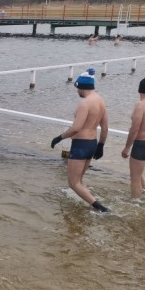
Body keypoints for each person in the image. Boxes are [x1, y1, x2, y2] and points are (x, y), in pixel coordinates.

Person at [50, 68, 109, 212]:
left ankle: (101, 208)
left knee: (73, 183)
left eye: (78, 89)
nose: (77, 92)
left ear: (82, 87)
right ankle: (81, 205)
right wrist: (101, 145)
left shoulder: (85, 103)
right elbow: (105, 126)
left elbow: (76, 128)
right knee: (80, 180)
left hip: (80, 145)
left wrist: (59, 138)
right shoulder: (100, 101)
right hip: (92, 143)